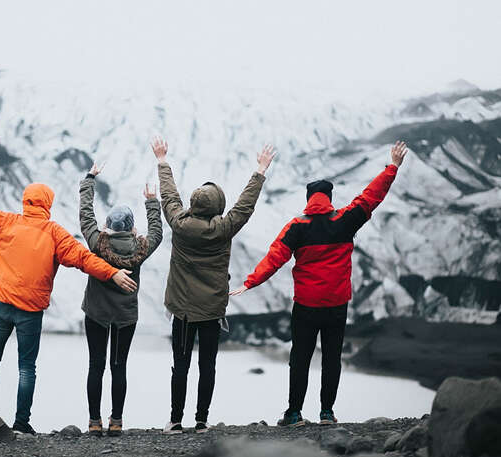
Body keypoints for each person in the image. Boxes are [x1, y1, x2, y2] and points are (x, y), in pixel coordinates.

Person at [0, 159, 137, 435]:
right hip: (30, 313)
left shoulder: (3, 223)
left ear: (26, 201)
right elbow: (83, 259)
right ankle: (21, 423)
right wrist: (112, 274)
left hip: (1, 306)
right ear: (47, 204)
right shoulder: (54, 234)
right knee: (26, 368)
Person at [230, 141, 409, 427]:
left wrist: (250, 283)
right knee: (332, 359)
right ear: (328, 197)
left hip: (306, 306)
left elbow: (274, 258)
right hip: (337, 305)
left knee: (299, 358)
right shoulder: (346, 220)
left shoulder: (296, 226)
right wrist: (393, 167)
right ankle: (327, 412)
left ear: (309, 198)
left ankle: (293, 413)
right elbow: (371, 197)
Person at [149, 137, 277, 434]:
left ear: (193, 205)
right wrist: (259, 171)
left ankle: (175, 420)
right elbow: (244, 207)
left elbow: (169, 196)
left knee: (180, 365)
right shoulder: (224, 228)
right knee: (208, 365)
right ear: (218, 206)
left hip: (182, 311)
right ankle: (202, 420)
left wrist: (162, 160)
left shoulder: (178, 223)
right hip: (211, 311)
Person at [78, 163, 164, 436]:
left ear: (108, 226)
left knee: (96, 365)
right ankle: (116, 421)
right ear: (130, 227)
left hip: (96, 315)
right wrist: (152, 203)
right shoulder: (141, 248)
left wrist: (89, 179)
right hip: (125, 318)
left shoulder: (97, 243)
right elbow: (158, 233)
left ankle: (94, 422)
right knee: (119, 367)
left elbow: (86, 215)